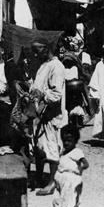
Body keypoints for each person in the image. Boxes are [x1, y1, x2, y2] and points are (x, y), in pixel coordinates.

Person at [30, 39, 67, 195]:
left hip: (51, 115)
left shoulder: (57, 67)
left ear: (46, 49)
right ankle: (39, 178)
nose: (34, 53)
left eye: (36, 49)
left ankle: (52, 183)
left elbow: (56, 94)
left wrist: (42, 94)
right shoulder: (44, 65)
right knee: (39, 148)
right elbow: (39, 85)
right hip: (40, 114)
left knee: (51, 149)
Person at [52, 124, 89, 207]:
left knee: (71, 200)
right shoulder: (63, 152)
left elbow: (86, 164)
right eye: (64, 140)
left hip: (71, 181)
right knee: (60, 200)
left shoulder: (77, 152)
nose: (66, 143)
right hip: (61, 180)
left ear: (75, 141)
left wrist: (80, 170)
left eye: (69, 141)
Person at [63, 52, 91, 128]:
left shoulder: (76, 68)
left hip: (75, 89)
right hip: (69, 89)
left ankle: (83, 115)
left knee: (82, 101)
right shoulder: (65, 69)